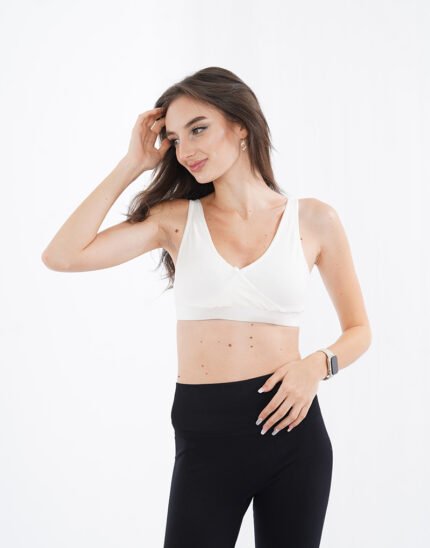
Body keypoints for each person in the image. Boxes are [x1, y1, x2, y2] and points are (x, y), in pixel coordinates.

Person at [41, 66, 372, 548]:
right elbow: (62, 256)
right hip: (206, 435)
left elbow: (359, 329)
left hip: (294, 429)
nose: (185, 150)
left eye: (198, 129)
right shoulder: (175, 220)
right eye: (175, 139)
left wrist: (316, 366)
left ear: (241, 126)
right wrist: (132, 164)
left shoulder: (314, 219)